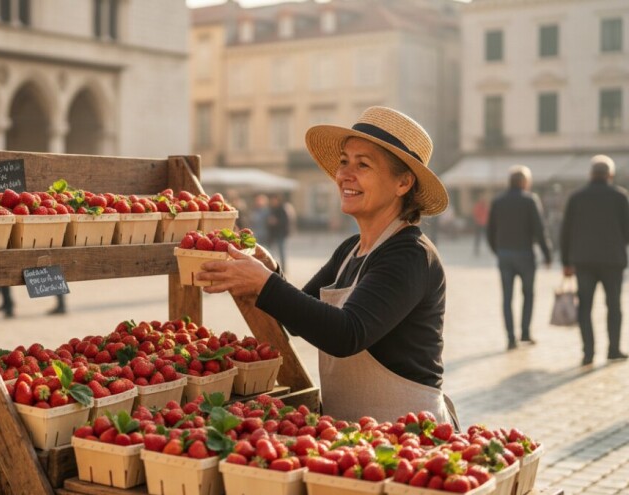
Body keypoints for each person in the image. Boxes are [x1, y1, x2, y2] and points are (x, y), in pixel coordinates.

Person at [197, 106, 456, 424]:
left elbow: (346, 334)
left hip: (409, 438)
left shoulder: (410, 255)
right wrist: (269, 269)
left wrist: (265, 283)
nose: (345, 174)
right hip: (353, 435)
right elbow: (298, 317)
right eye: (344, 161)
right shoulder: (350, 250)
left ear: (403, 183)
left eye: (363, 165)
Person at [560, 155, 629, 366]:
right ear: (610, 174)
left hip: (584, 260)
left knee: (585, 307)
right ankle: (613, 349)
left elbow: (566, 232)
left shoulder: (577, 197)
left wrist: (566, 262)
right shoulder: (620, 196)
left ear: (591, 174)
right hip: (612, 260)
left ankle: (588, 352)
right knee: (614, 306)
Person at [487, 166, 552, 350]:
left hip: (505, 254)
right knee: (528, 294)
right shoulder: (530, 200)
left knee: (507, 297)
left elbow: (490, 231)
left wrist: (498, 250)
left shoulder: (498, 201)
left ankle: (510, 338)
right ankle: (525, 332)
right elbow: (540, 230)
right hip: (525, 254)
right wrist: (547, 253)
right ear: (525, 182)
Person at [267, 194, 294, 273]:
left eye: (274, 200)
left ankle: (283, 269)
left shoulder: (283, 209)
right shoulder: (272, 209)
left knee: (281, 252)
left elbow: (285, 222)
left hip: (281, 234)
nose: (273, 202)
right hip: (274, 234)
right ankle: (274, 268)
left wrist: (276, 221)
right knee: (272, 252)